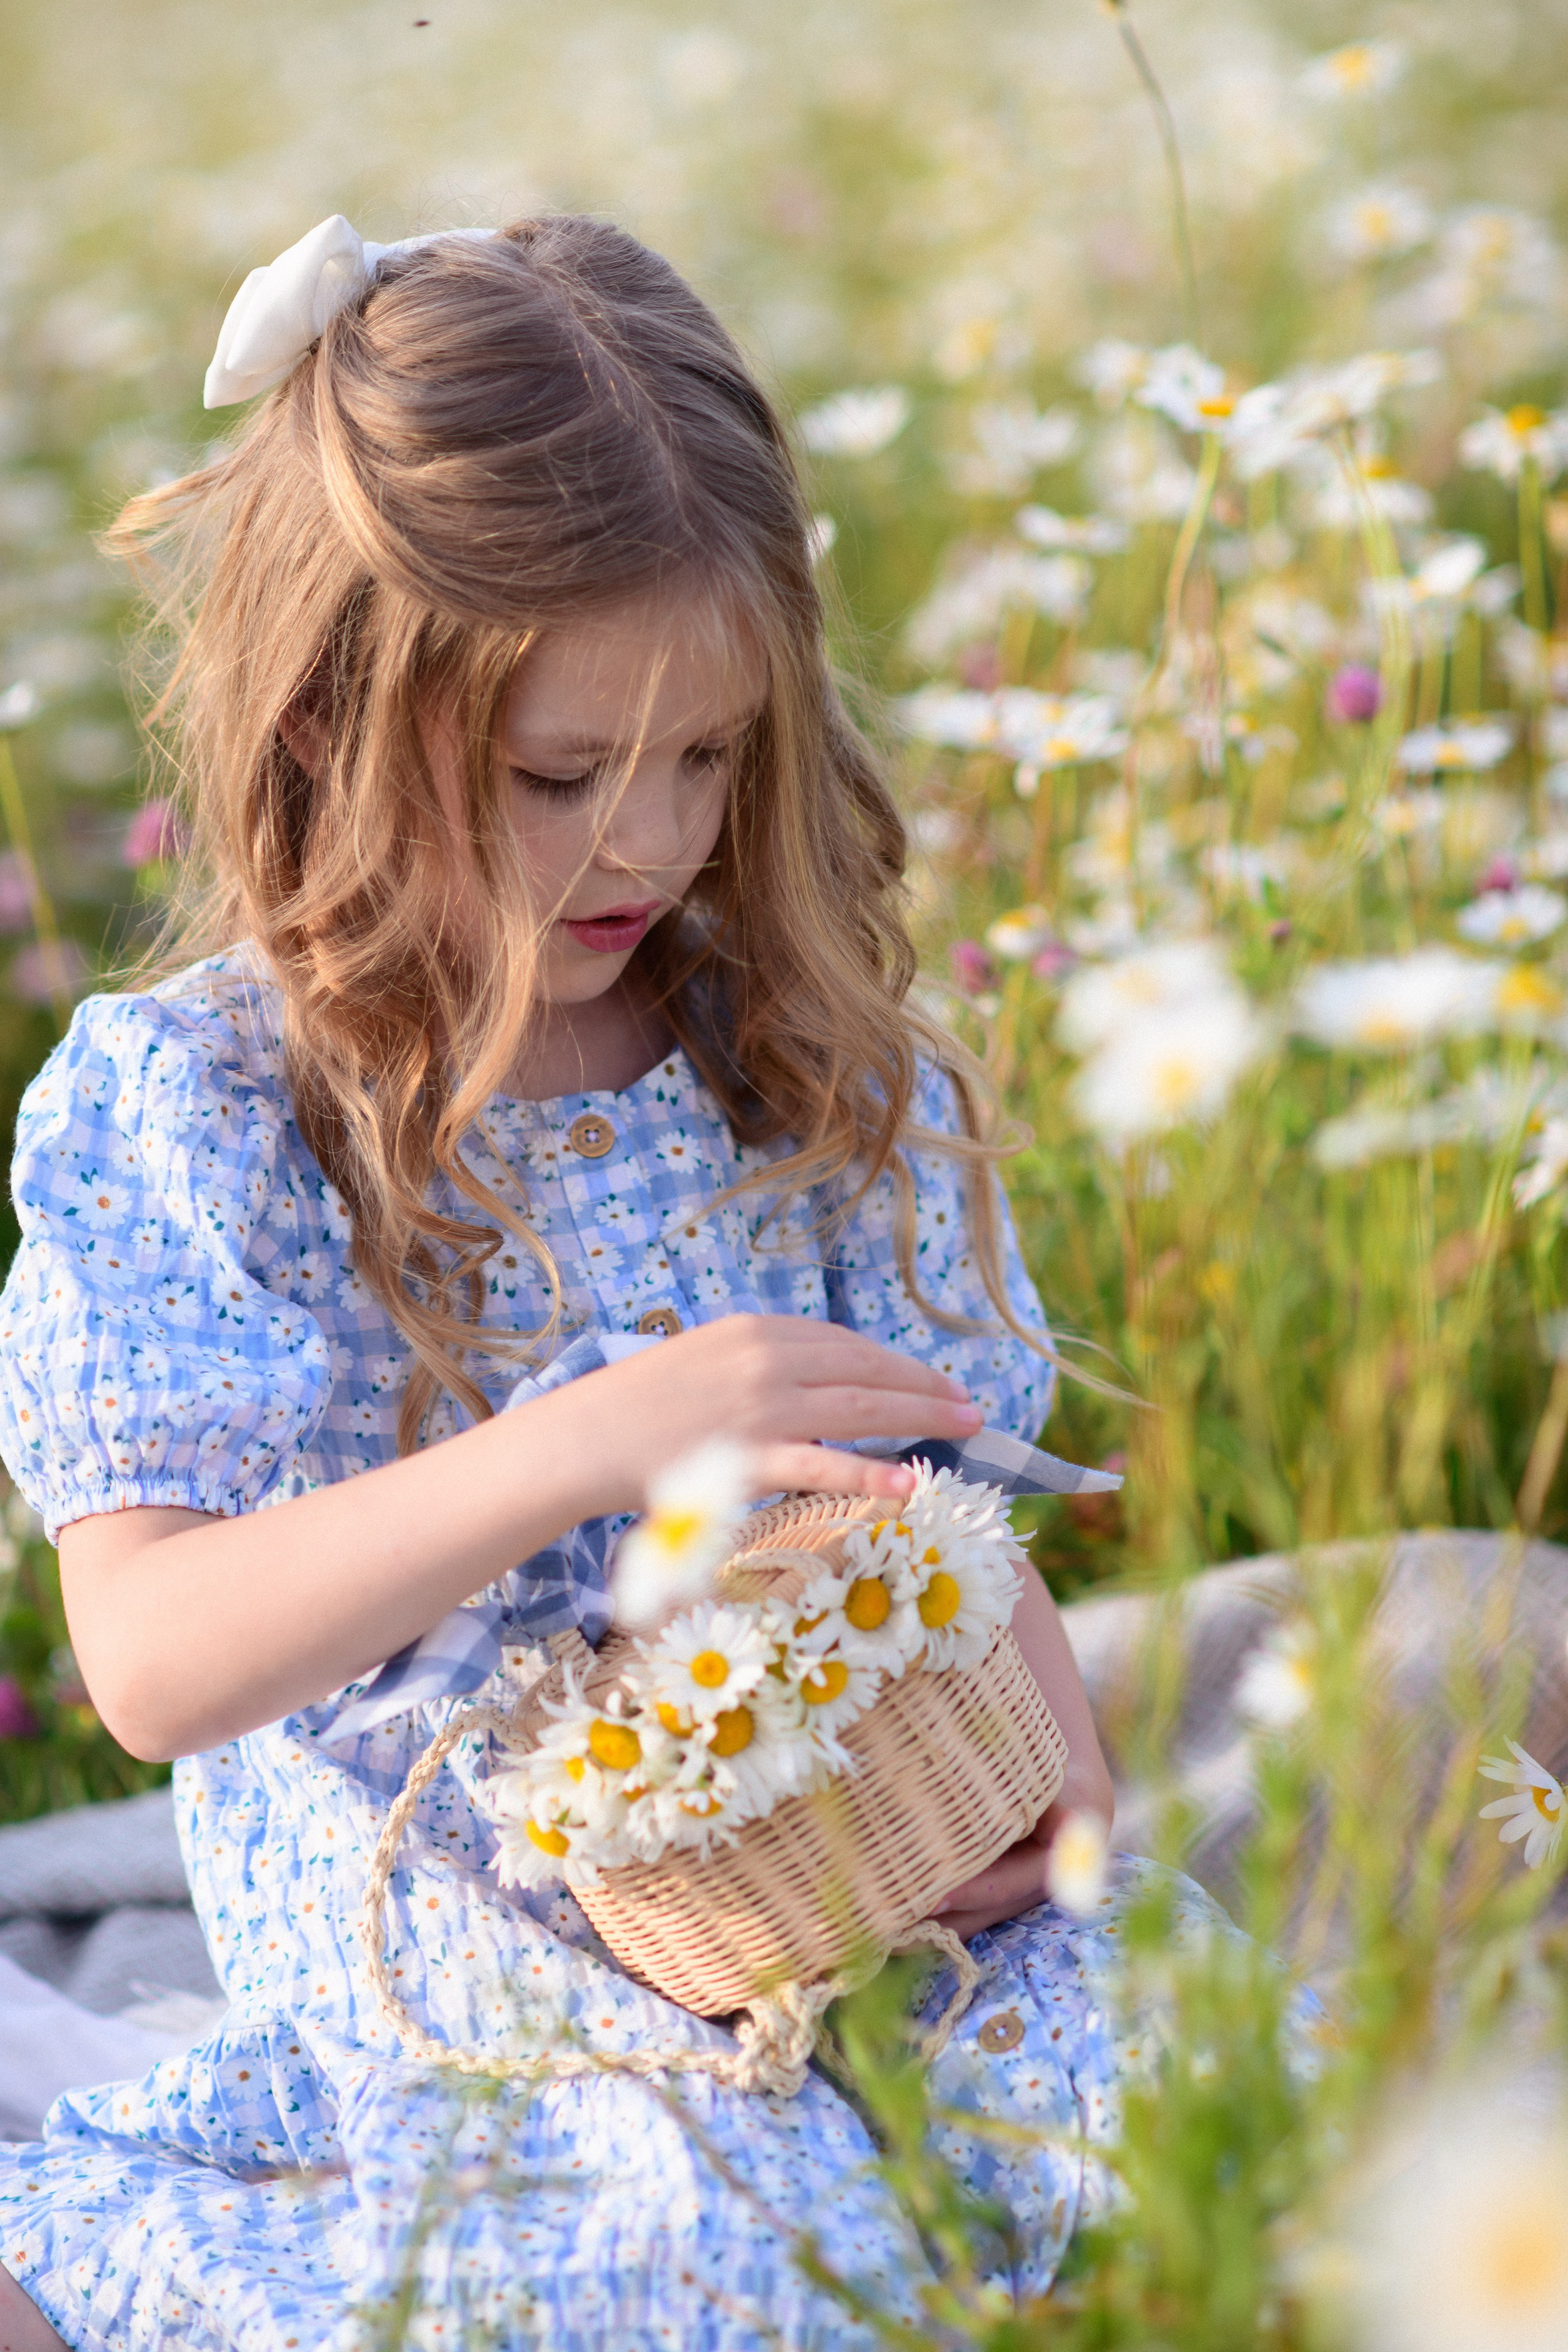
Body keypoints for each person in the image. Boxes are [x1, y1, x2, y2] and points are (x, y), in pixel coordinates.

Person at [0, 211, 1205, 2352]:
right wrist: (597, 1442)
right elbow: (160, 1666)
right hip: (474, 1922)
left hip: (837, 1850)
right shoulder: (208, 1107)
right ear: (331, 726)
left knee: (1199, 2083)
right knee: (713, 2252)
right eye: (561, 774)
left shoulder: (786, 1049)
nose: (645, 842)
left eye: (709, 755)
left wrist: (1061, 1785)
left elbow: (933, 1503)